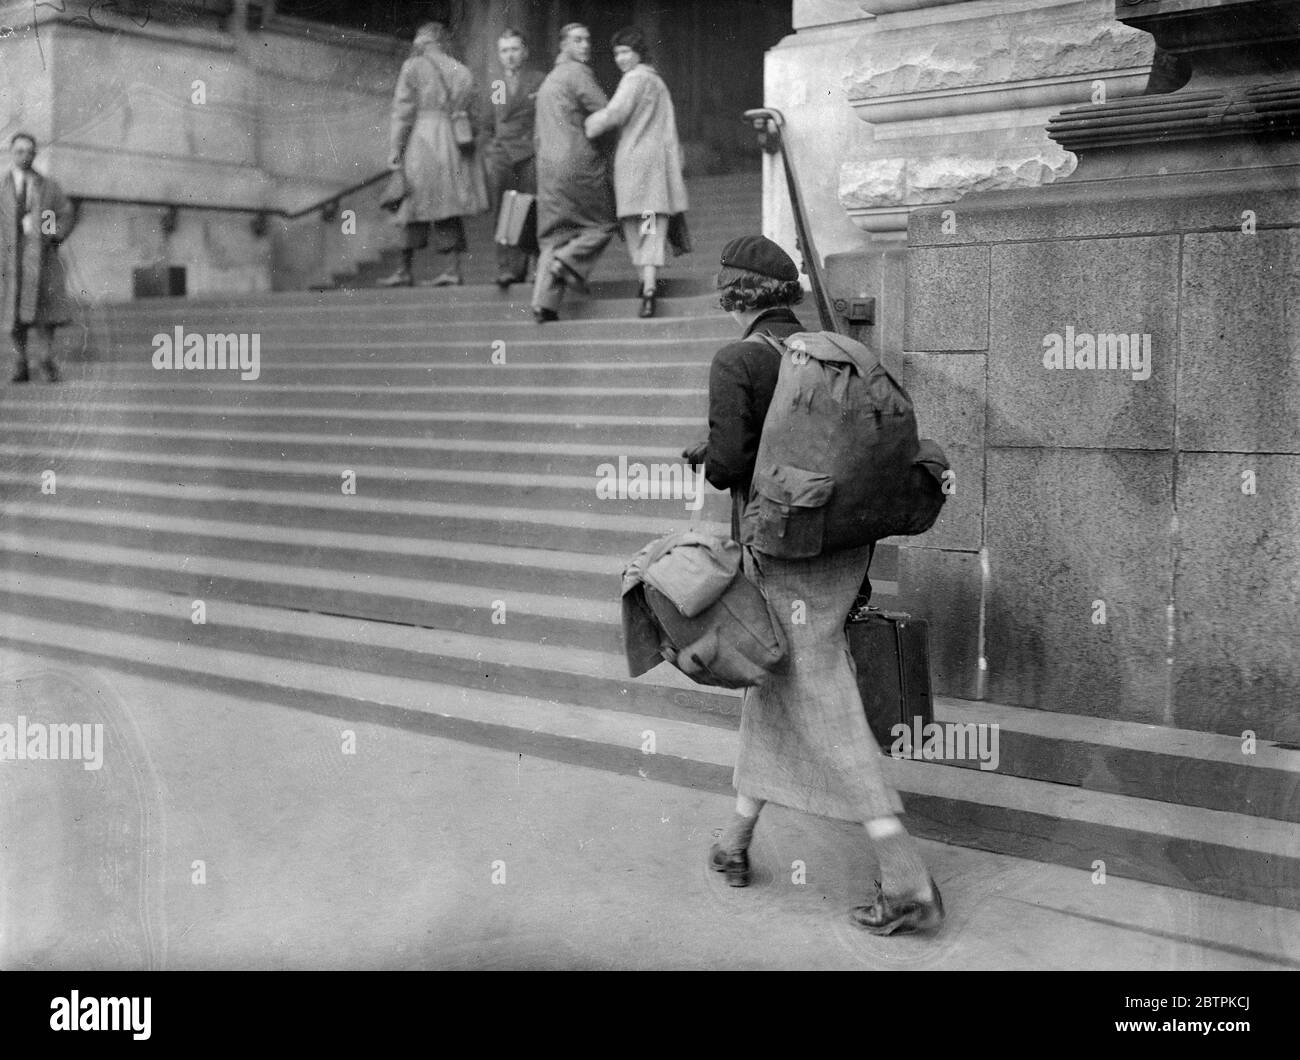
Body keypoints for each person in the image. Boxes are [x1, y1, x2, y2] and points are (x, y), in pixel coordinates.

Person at [683, 235, 945, 936]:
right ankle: (735, 839)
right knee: (779, 678)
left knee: (818, 689)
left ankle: (904, 873)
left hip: (785, 552)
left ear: (736, 294)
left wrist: (707, 455)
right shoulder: (830, 353)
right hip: (846, 544)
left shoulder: (737, 359)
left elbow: (728, 464)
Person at [584, 26, 688, 318]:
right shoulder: (657, 82)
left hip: (635, 162)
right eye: (617, 53)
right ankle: (649, 284)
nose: (620, 58)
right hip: (657, 163)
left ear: (638, 52)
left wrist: (589, 124)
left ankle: (647, 286)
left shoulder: (634, 79)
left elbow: (615, 113)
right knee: (651, 222)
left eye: (625, 51)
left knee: (637, 224)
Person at [382, 21, 488, 288]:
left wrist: (395, 150)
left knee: (411, 202)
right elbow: (474, 115)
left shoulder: (412, 67)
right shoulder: (462, 71)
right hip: (451, 141)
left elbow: (403, 112)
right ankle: (452, 269)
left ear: (423, 39)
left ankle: (404, 270)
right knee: (448, 205)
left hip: (421, 139)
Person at [530, 22, 617, 323]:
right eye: (578, 40)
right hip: (577, 163)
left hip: (547, 169)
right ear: (563, 45)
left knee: (554, 236)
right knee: (603, 224)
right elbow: (605, 111)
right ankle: (567, 263)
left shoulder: (549, 81)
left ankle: (544, 304)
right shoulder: (577, 73)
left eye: (587, 40)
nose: (585, 46)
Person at [1, 132, 77, 384]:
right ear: (12, 153)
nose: (24, 156)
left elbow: (64, 213)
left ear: (35, 154)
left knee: (46, 313)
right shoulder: (3, 186)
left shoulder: (47, 186)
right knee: (13, 313)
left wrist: (51, 235)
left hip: (41, 257)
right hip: (9, 259)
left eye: (29, 151)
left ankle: (45, 359)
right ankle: (20, 362)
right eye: (19, 151)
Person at [479, 28, 545, 290]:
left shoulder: (538, 81)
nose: (510, 56)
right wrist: (489, 153)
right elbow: (488, 124)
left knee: (534, 210)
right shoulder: (496, 84)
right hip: (503, 156)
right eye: (504, 51)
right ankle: (509, 269)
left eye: (514, 49)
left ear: (525, 52)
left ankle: (538, 266)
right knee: (505, 213)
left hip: (530, 154)